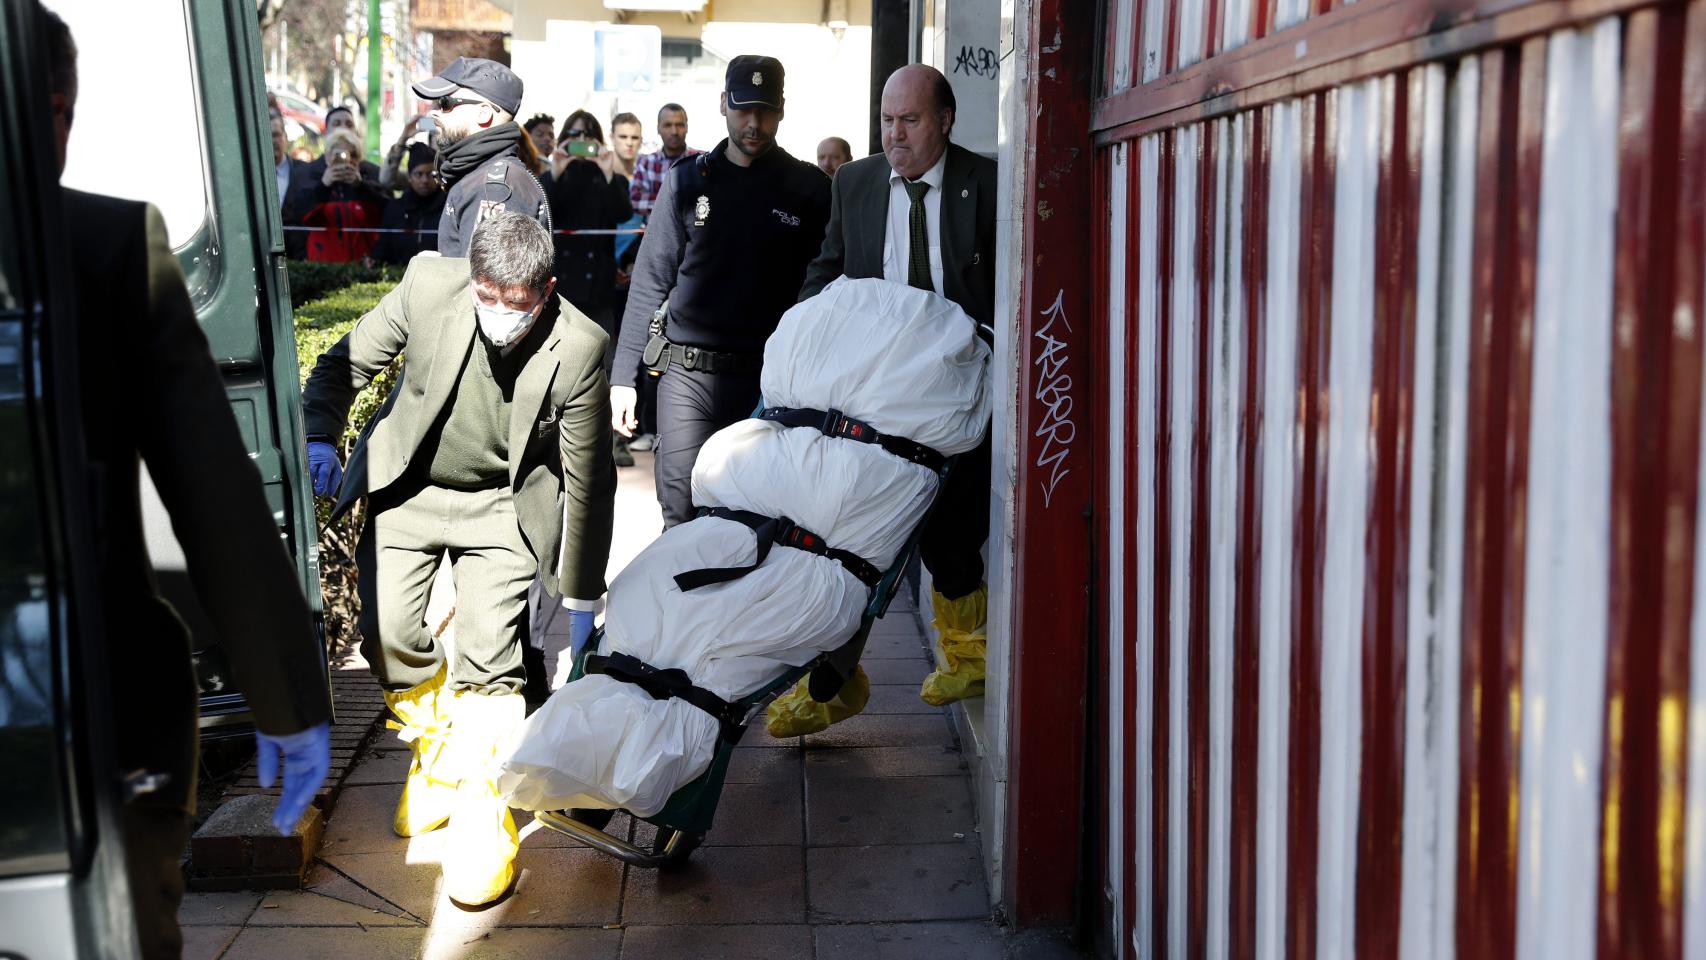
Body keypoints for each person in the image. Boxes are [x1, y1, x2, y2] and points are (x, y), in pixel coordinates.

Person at [41, 8, 331, 956]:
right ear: (59, 112)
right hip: (92, 719)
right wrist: (288, 712)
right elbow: (218, 504)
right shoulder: (108, 249)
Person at [300, 212, 615, 906]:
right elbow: (343, 361)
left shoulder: (581, 344)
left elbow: (590, 474)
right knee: (388, 639)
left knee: (489, 657)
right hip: (409, 489)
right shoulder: (425, 284)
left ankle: (483, 821)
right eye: (487, 296)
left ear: (546, 288)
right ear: (473, 279)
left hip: (502, 507)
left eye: (518, 303)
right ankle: (439, 756)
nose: (500, 314)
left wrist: (585, 595)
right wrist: (321, 435)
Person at [780, 64, 998, 735]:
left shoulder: (985, 183)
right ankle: (834, 679)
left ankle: (965, 651)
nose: (894, 135)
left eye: (910, 121)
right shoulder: (856, 182)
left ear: (945, 121)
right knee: (851, 529)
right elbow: (830, 268)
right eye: (886, 120)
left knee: (948, 522)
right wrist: (804, 331)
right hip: (876, 383)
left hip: (957, 383)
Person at [611, 55, 831, 528]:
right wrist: (621, 380)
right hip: (685, 376)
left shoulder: (809, 189)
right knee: (680, 513)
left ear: (782, 110)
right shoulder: (688, 181)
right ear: (723, 104)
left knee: (753, 520)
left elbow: (828, 293)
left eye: (765, 111)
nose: (753, 123)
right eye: (743, 109)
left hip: (766, 383)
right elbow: (650, 281)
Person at [545, 111, 636, 469]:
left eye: (589, 136)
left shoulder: (608, 176)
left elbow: (622, 211)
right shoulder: (552, 175)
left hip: (597, 285)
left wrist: (608, 168)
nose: (582, 142)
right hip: (561, 283)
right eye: (574, 135)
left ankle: (614, 439)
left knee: (606, 363)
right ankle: (557, 438)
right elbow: (545, 212)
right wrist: (557, 168)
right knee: (558, 361)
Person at [413, 56, 552, 257]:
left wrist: (433, 274)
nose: (435, 114)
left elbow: (487, 286)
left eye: (445, 103)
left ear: (483, 114)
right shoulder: (478, 175)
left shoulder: (494, 188)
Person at [296, 128, 388, 262]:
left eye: (353, 155)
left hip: (361, 265)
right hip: (324, 266)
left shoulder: (369, 184)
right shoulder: (312, 181)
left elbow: (385, 213)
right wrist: (324, 186)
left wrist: (360, 187)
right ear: (328, 157)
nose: (347, 161)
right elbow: (301, 217)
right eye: (339, 155)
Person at [370, 142, 445, 265]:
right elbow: (383, 248)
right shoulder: (395, 209)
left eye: (430, 174)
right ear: (410, 176)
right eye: (419, 174)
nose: (424, 180)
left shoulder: (448, 208)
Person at [628, 101, 699, 219]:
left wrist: (658, 201)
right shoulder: (646, 163)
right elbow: (636, 201)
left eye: (679, 125)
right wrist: (682, 201)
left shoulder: (700, 160)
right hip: (655, 234)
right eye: (667, 125)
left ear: (687, 127)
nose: (674, 132)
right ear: (658, 128)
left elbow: (708, 200)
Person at [524, 112, 556, 183]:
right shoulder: (518, 163)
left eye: (551, 136)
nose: (547, 139)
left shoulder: (557, 170)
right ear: (527, 137)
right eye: (540, 134)